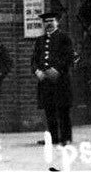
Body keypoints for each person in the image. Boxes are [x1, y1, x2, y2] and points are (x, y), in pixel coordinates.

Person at [31, 11, 75, 146]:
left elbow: (69, 57)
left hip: (60, 80)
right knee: (49, 109)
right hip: (45, 81)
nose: (48, 23)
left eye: (51, 21)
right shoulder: (40, 40)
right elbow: (34, 59)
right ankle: (53, 137)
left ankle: (66, 137)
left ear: (57, 22)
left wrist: (57, 69)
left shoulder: (64, 38)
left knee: (63, 109)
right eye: (46, 21)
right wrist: (37, 71)